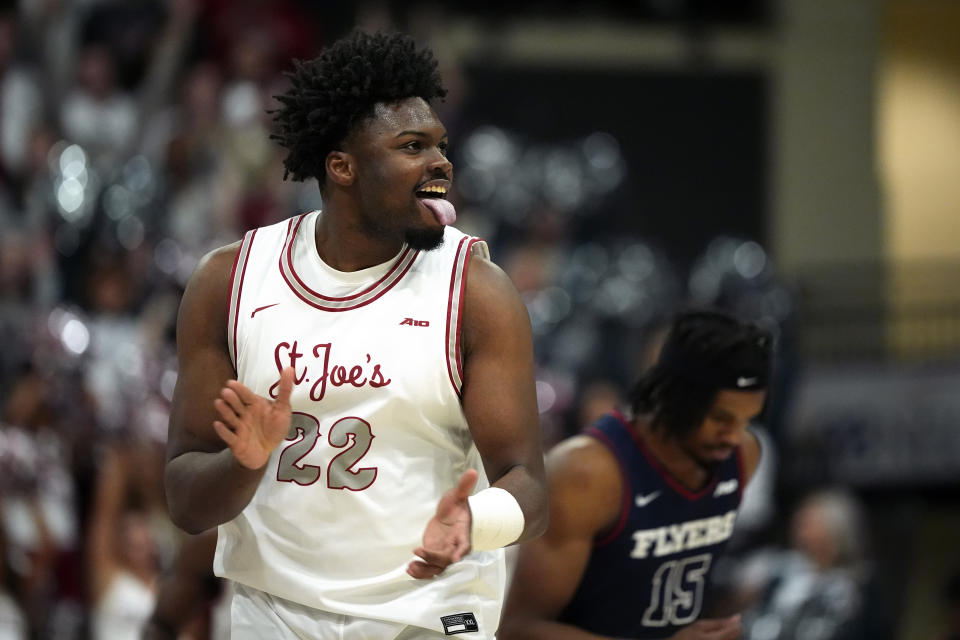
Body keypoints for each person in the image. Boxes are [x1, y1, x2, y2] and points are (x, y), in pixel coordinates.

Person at [163, 30, 548, 639]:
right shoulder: (229, 281)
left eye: (441, 146)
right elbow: (185, 502)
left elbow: (528, 481)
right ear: (342, 166)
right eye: (412, 147)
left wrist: (475, 520)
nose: (441, 163)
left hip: (428, 612)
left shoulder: (476, 291)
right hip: (274, 611)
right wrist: (245, 465)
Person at [500, 309, 772, 639]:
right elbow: (518, 630)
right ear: (677, 397)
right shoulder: (587, 473)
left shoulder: (744, 455)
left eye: (747, 420)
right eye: (721, 418)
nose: (734, 435)